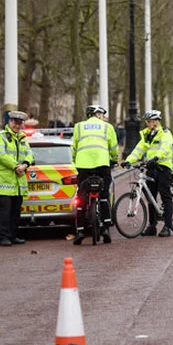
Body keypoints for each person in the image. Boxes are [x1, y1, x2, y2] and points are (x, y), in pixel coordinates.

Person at [121, 109, 173, 237]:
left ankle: (167, 226)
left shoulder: (165, 134)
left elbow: (165, 147)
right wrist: (128, 160)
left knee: (165, 196)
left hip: (163, 167)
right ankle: (152, 226)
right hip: (151, 168)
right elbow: (138, 150)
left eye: (149, 121)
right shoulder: (146, 135)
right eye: (147, 122)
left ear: (157, 121)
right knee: (150, 197)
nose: (148, 124)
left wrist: (156, 157)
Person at [71, 105, 118, 245]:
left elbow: (74, 147)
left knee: (81, 197)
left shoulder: (78, 127)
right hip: (102, 163)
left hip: (83, 164)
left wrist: (75, 160)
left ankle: (79, 231)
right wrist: (114, 160)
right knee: (104, 194)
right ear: (98, 115)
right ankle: (105, 228)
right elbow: (114, 146)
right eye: (102, 115)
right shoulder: (107, 127)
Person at [0, 111, 34, 247]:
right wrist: (16, 166)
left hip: (18, 183)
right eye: (15, 122)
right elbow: (0, 155)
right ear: (9, 122)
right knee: (4, 212)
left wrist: (25, 165)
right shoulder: (0, 137)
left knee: (15, 212)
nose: (17, 125)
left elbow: (30, 154)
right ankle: (4, 237)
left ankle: (13, 235)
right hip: (4, 181)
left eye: (20, 123)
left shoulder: (22, 138)